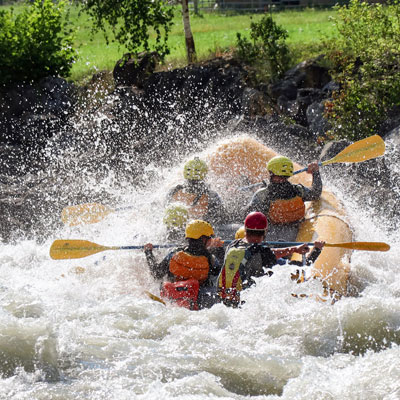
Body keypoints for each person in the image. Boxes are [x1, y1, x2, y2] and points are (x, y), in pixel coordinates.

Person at [217, 211, 311, 307]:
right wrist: (295, 249)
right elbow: (270, 253)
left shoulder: (233, 245)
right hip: (246, 303)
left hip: (224, 298)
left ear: (245, 229)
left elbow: (265, 252)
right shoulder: (261, 252)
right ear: (265, 232)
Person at [144, 219, 225, 310]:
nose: (211, 240)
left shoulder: (174, 255)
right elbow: (222, 273)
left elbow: (156, 273)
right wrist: (220, 250)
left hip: (174, 298)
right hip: (199, 301)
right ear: (203, 239)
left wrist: (148, 252)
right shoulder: (210, 259)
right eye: (209, 238)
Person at [245, 156, 322, 242]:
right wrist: (315, 172)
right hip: (293, 234)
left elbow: (249, 215)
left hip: (270, 235)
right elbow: (316, 193)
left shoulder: (262, 194)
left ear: (271, 173)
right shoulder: (298, 190)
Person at [166, 157, 228, 225]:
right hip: (199, 230)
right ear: (204, 173)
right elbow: (221, 219)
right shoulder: (211, 195)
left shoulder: (173, 191)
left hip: (175, 229)